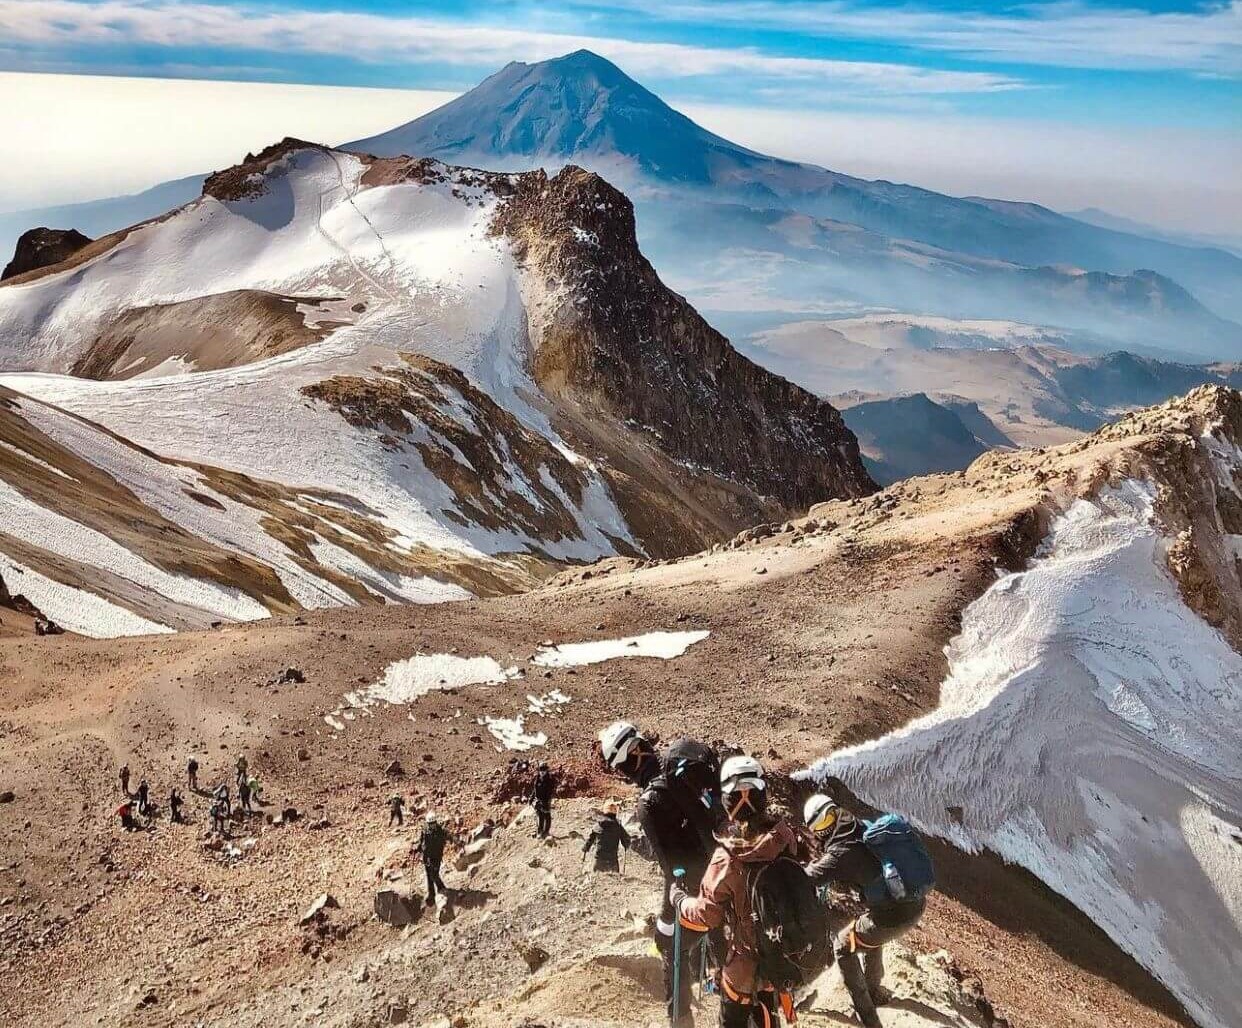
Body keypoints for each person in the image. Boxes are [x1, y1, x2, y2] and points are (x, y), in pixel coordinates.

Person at [599, 721, 723, 1027]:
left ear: (625, 766)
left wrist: (671, 913)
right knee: (728, 941)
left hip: (695, 884)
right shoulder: (683, 766)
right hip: (727, 864)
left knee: (670, 944)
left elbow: (671, 870)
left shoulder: (648, 803)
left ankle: (679, 1018)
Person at [671, 755, 802, 1028]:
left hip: (744, 965)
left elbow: (708, 915)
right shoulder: (785, 836)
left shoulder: (727, 858)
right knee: (769, 1010)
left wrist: (680, 900)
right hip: (784, 954)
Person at [803, 795, 933, 1028]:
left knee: (842, 947)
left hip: (893, 918)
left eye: (825, 822)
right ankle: (874, 990)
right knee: (865, 925)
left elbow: (806, 879)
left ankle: (868, 1019)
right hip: (914, 903)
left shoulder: (839, 853)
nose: (827, 827)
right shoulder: (861, 826)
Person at [582, 801, 631, 872]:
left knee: (596, 880)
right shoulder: (618, 826)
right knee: (614, 880)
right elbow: (626, 840)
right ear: (615, 812)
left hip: (599, 859)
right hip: (612, 860)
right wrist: (626, 844)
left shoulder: (598, 825)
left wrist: (585, 849)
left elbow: (590, 840)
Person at [417, 812, 450, 906]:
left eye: (434, 823)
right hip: (426, 856)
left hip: (436, 856)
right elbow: (421, 841)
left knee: (434, 874)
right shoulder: (425, 830)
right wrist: (417, 848)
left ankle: (441, 888)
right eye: (430, 824)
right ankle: (431, 894)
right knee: (429, 876)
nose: (432, 825)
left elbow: (448, 836)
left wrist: (457, 842)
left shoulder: (440, 831)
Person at [530, 762, 555, 839]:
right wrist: (531, 798)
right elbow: (535, 789)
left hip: (546, 800)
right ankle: (539, 831)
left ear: (547, 770)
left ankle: (546, 831)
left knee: (546, 815)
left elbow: (550, 792)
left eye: (544, 770)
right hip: (538, 799)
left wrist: (546, 802)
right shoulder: (537, 778)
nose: (542, 771)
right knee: (540, 816)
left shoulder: (549, 780)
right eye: (541, 770)